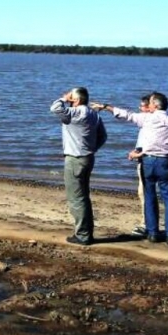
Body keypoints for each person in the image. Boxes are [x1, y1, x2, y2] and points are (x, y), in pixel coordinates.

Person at [91, 92, 168, 246]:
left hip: (148, 161)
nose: (148, 105)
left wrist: (106, 107)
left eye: (151, 102)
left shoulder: (147, 118)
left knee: (149, 197)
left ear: (155, 105)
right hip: (165, 162)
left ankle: (153, 233)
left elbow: (126, 115)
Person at [50, 87, 107, 246]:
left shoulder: (74, 113)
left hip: (75, 159)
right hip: (88, 158)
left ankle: (82, 235)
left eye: (71, 97)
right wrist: (92, 148)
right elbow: (103, 136)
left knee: (76, 198)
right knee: (83, 196)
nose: (68, 99)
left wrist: (63, 98)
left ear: (76, 100)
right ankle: (86, 232)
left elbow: (54, 108)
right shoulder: (94, 114)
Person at [131, 94, 154, 238]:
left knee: (144, 193)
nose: (139, 109)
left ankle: (147, 224)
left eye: (141, 106)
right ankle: (151, 225)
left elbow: (151, 144)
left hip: (147, 161)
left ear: (149, 107)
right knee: (164, 195)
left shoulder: (148, 121)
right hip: (160, 162)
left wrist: (139, 153)